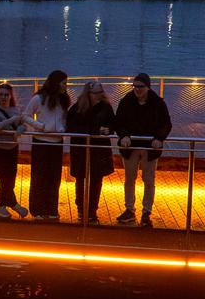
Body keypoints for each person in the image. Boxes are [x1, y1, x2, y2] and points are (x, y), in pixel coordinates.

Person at [113, 73, 172, 228]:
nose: (137, 89)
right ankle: (129, 209)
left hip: (149, 147)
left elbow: (166, 123)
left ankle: (146, 212)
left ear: (148, 87)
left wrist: (159, 138)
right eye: (135, 86)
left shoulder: (158, 103)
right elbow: (118, 122)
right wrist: (124, 135)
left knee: (149, 180)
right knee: (129, 179)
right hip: (130, 147)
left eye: (141, 87)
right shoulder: (126, 102)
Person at [66, 81, 115, 224]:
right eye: (96, 93)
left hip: (98, 151)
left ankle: (92, 211)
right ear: (89, 94)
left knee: (96, 181)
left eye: (101, 92)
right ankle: (81, 209)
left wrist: (109, 130)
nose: (100, 95)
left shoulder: (106, 108)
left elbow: (113, 123)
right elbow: (71, 126)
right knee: (81, 179)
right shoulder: (77, 109)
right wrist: (96, 130)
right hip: (81, 149)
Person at [23, 70, 70, 219]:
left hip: (57, 142)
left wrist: (63, 127)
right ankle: (37, 209)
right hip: (41, 142)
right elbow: (26, 115)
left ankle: (51, 209)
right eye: (64, 83)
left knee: (54, 177)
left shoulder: (63, 99)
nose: (66, 86)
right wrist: (40, 126)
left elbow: (63, 118)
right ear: (56, 83)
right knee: (39, 176)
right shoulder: (39, 98)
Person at [0, 82, 28, 219]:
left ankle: (6, 206)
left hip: (12, 148)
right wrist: (12, 120)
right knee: (4, 180)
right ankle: (8, 205)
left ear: (11, 96)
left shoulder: (16, 110)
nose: (3, 97)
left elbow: (23, 126)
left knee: (10, 179)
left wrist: (19, 130)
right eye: (1, 94)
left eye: (6, 94)